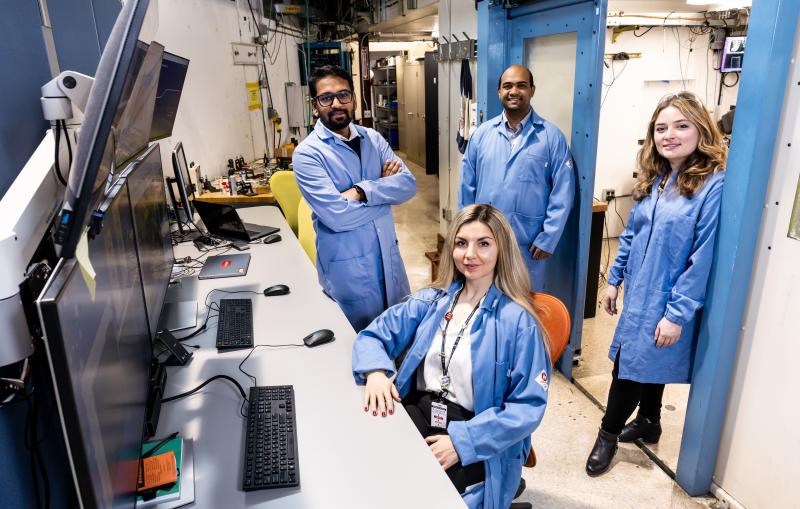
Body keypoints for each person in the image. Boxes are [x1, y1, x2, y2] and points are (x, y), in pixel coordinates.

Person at [352, 204, 551, 509]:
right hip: (423, 409)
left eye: (483, 243)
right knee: (375, 469)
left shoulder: (517, 322)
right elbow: (374, 335)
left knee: (426, 496)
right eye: (461, 243)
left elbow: (527, 407)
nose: (470, 254)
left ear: (502, 250)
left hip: (479, 432)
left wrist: (463, 443)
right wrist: (376, 372)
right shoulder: (433, 301)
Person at [585, 92, 727, 476]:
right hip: (639, 290)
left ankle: (607, 435)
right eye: (661, 128)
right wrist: (613, 280)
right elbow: (631, 233)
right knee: (647, 361)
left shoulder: (712, 185)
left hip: (668, 296)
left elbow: (702, 257)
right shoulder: (657, 177)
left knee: (629, 368)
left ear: (701, 128)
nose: (669, 135)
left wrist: (677, 314)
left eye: (681, 126)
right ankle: (650, 420)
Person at [292, 65, 416, 331]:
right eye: (326, 98)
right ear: (315, 106)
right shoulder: (307, 154)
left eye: (343, 95)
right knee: (357, 354)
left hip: (389, 261)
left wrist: (361, 191)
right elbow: (337, 216)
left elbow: (407, 185)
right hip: (349, 274)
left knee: (398, 338)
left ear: (354, 100)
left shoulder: (373, 138)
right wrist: (384, 193)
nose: (336, 103)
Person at [459, 64, 575, 292]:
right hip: (484, 239)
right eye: (507, 86)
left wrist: (548, 238)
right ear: (498, 91)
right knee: (482, 299)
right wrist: (464, 234)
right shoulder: (482, 134)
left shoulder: (551, 137)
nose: (514, 91)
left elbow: (563, 191)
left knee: (524, 308)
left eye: (521, 85)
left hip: (528, 245)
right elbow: (466, 187)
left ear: (532, 90)